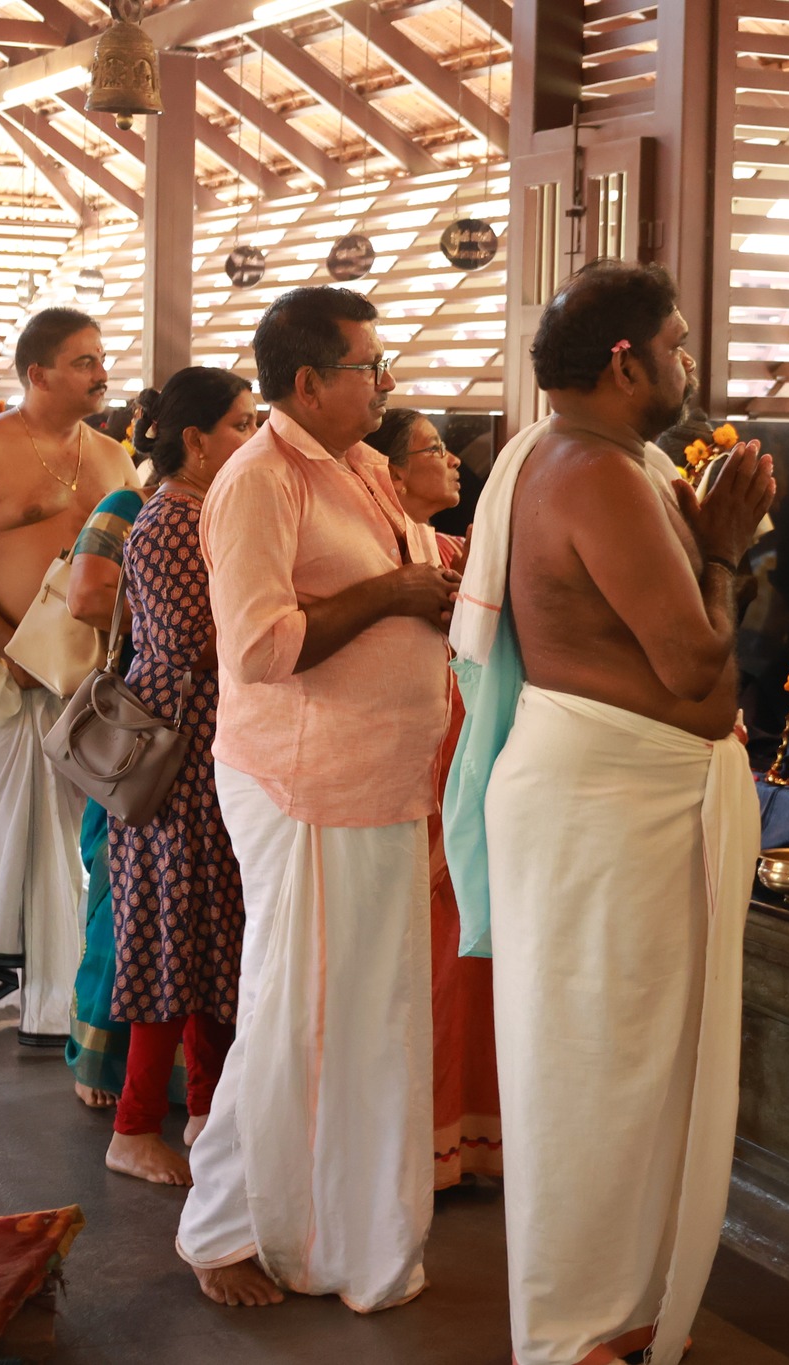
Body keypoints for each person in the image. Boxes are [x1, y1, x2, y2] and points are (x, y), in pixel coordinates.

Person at [445, 262, 775, 1365]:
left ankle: (613, 1314)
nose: (690, 362)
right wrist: (724, 544)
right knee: (593, 1072)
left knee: (625, 1068)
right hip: (603, 801)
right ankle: (579, 1328)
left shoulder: (592, 457)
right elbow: (689, 666)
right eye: (678, 344)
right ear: (627, 362)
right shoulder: (591, 472)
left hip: (610, 797)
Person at [176, 287, 458, 1312]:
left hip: (381, 778)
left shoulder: (364, 467)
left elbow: (417, 572)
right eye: (365, 366)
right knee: (294, 1009)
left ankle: (345, 1237)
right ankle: (221, 1229)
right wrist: (389, 595)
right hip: (300, 782)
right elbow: (256, 649)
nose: (382, 380)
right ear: (308, 382)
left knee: (370, 1020)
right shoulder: (256, 481)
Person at [0, 307, 139, 1052]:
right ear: (37, 372)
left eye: (101, 357)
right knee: (3, 830)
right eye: (84, 360)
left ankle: (63, 998)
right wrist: (7, 647)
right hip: (8, 672)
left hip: (88, 677)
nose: (100, 370)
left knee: (84, 839)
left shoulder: (113, 456)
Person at [100, 367, 258, 1185]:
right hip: (175, 751)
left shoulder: (207, 511)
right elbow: (200, 646)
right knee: (168, 932)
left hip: (203, 743)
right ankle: (132, 1126)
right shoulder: (168, 520)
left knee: (208, 932)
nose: (251, 436)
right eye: (239, 424)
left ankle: (204, 1109)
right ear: (194, 440)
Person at [365, 407, 501, 1191]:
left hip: (464, 762)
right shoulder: (388, 559)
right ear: (390, 472)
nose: (453, 462)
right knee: (421, 959)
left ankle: (461, 1139)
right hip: (411, 768)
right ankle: (415, 1148)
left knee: (463, 960)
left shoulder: (450, 548)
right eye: (434, 450)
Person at [63, 483, 145, 1110]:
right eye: (236, 424)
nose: (249, 435)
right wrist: (179, 608)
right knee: (119, 891)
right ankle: (97, 1056)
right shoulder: (130, 504)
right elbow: (87, 594)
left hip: (214, 721)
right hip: (141, 720)